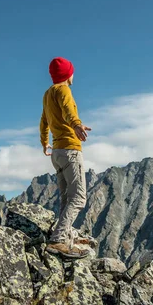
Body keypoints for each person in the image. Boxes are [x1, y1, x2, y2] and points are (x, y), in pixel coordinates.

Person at [39, 57, 92, 258]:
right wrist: (77, 124)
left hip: (57, 153)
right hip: (70, 150)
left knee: (65, 198)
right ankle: (59, 239)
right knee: (78, 197)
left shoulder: (47, 94)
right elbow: (69, 110)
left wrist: (45, 142)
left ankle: (66, 234)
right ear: (67, 74)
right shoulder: (63, 90)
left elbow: (43, 121)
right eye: (72, 71)